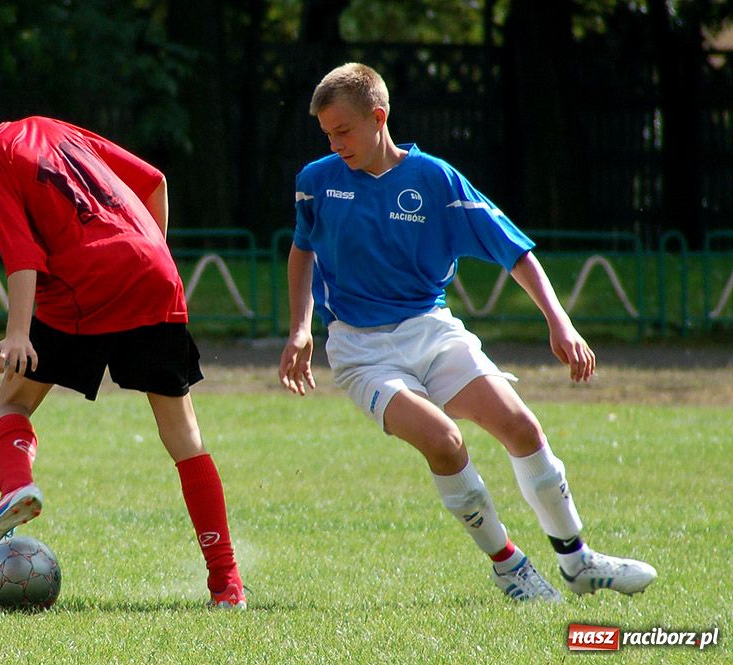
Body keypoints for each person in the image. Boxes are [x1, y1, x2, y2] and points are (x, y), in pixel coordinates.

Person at [278, 63, 657, 602]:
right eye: (327, 134)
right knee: (445, 441)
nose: (335, 144)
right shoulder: (316, 183)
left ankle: (578, 562)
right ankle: (510, 567)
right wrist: (300, 330)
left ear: (378, 117)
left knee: (521, 427)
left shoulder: (435, 180)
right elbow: (302, 249)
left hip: (432, 331)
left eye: (343, 131)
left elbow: (515, 251)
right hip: (362, 351)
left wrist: (560, 321)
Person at [0, 96, 245, 609]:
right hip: (154, 273)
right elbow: (154, 181)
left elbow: (22, 253)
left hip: (80, 286)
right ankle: (227, 584)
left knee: (10, 406)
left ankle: (16, 490)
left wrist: (18, 332)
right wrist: (149, 258)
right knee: (184, 437)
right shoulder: (49, 126)